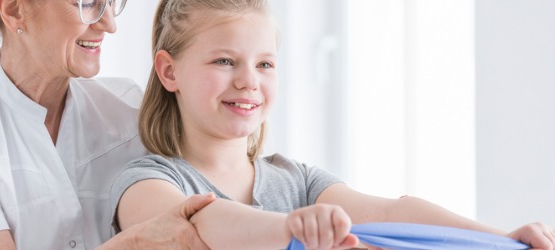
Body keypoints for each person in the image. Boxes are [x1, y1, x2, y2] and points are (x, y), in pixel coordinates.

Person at [109, 0, 555, 249]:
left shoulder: (296, 180)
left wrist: (504, 237)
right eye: (225, 61)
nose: (248, 81)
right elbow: (199, 225)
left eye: (265, 63)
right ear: (169, 72)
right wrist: (293, 230)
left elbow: (392, 211)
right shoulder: (147, 180)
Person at [0, 0, 215, 249]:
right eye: (87, 3)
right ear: (14, 10)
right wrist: (135, 244)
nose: (109, 24)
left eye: (111, 2)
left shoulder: (131, 110)